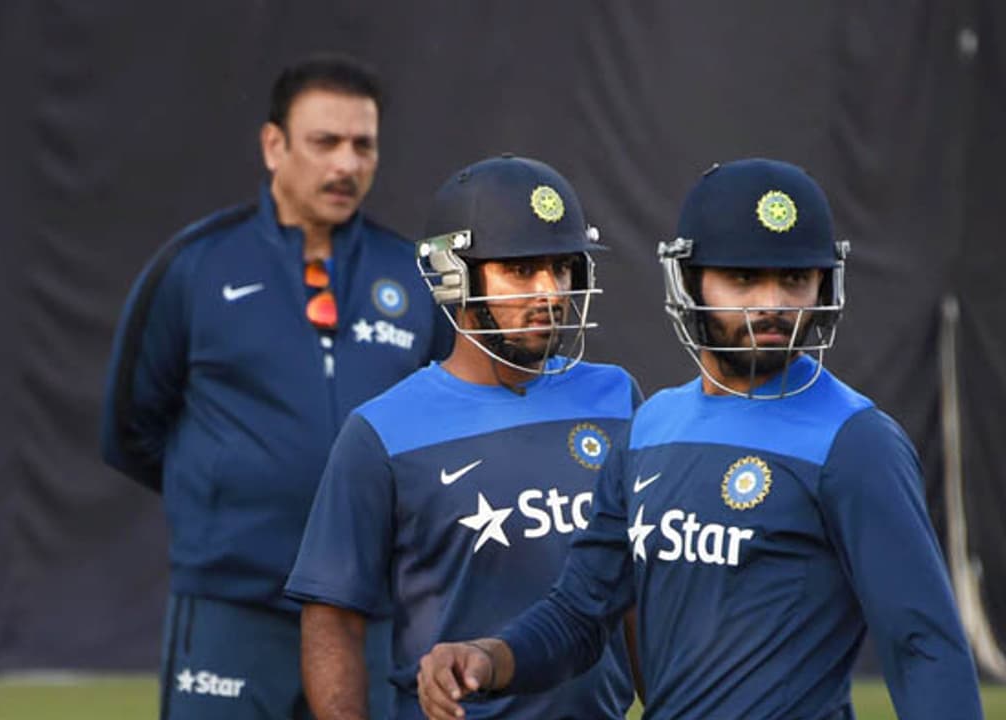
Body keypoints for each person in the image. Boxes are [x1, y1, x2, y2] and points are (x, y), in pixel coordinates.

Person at [416, 158, 984, 719]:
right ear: (689, 281)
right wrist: (487, 659)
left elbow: (923, 645)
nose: (772, 304)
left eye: (794, 279)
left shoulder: (855, 441)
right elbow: (579, 613)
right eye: (744, 278)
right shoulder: (651, 428)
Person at [101, 55, 450, 719]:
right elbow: (129, 428)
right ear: (273, 145)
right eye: (325, 142)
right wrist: (225, 491)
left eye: (363, 145)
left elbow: (448, 425)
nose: (346, 164)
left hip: (371, 615)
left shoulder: (413, 276)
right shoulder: (197, 265)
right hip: (232, 610)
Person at [284, 155, 640, 719]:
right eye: (521, 270)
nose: (551, 292)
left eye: (562, 267)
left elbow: (636, 590)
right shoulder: (381, 432)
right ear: (452, 275)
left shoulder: (617, 397)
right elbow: (333, 620)